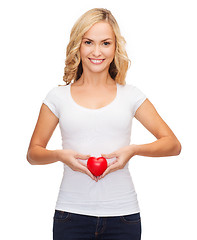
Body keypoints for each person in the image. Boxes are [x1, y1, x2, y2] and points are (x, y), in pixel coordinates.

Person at [26, 8, 181, 240]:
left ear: (115, 47)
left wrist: (133, 150)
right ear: (78, 45)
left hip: (123, 216)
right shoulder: (57, 97)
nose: (96, 51)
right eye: (89, 42)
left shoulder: (131, 95)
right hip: (71, 215)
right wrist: (61, 155)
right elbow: (33, 153)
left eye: (105, 43)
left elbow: (173, 144)